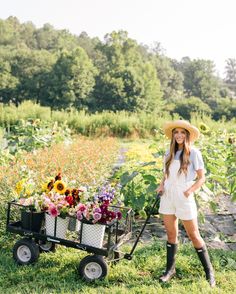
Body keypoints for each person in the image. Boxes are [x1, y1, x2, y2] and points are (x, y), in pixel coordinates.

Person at [157, 120, 215, 287]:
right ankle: (170, 271)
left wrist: (190, 191)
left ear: (187, 135)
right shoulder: (168, 154)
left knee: (194, 235)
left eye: (183, 133)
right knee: (170, 234)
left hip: (184, 194)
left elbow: (201, 177)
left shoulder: (194, 153)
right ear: (173, 135)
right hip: (168, 195)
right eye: (176, 132)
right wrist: (161, 185)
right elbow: (166, 175)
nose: (179, 135)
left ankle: (209, 271)